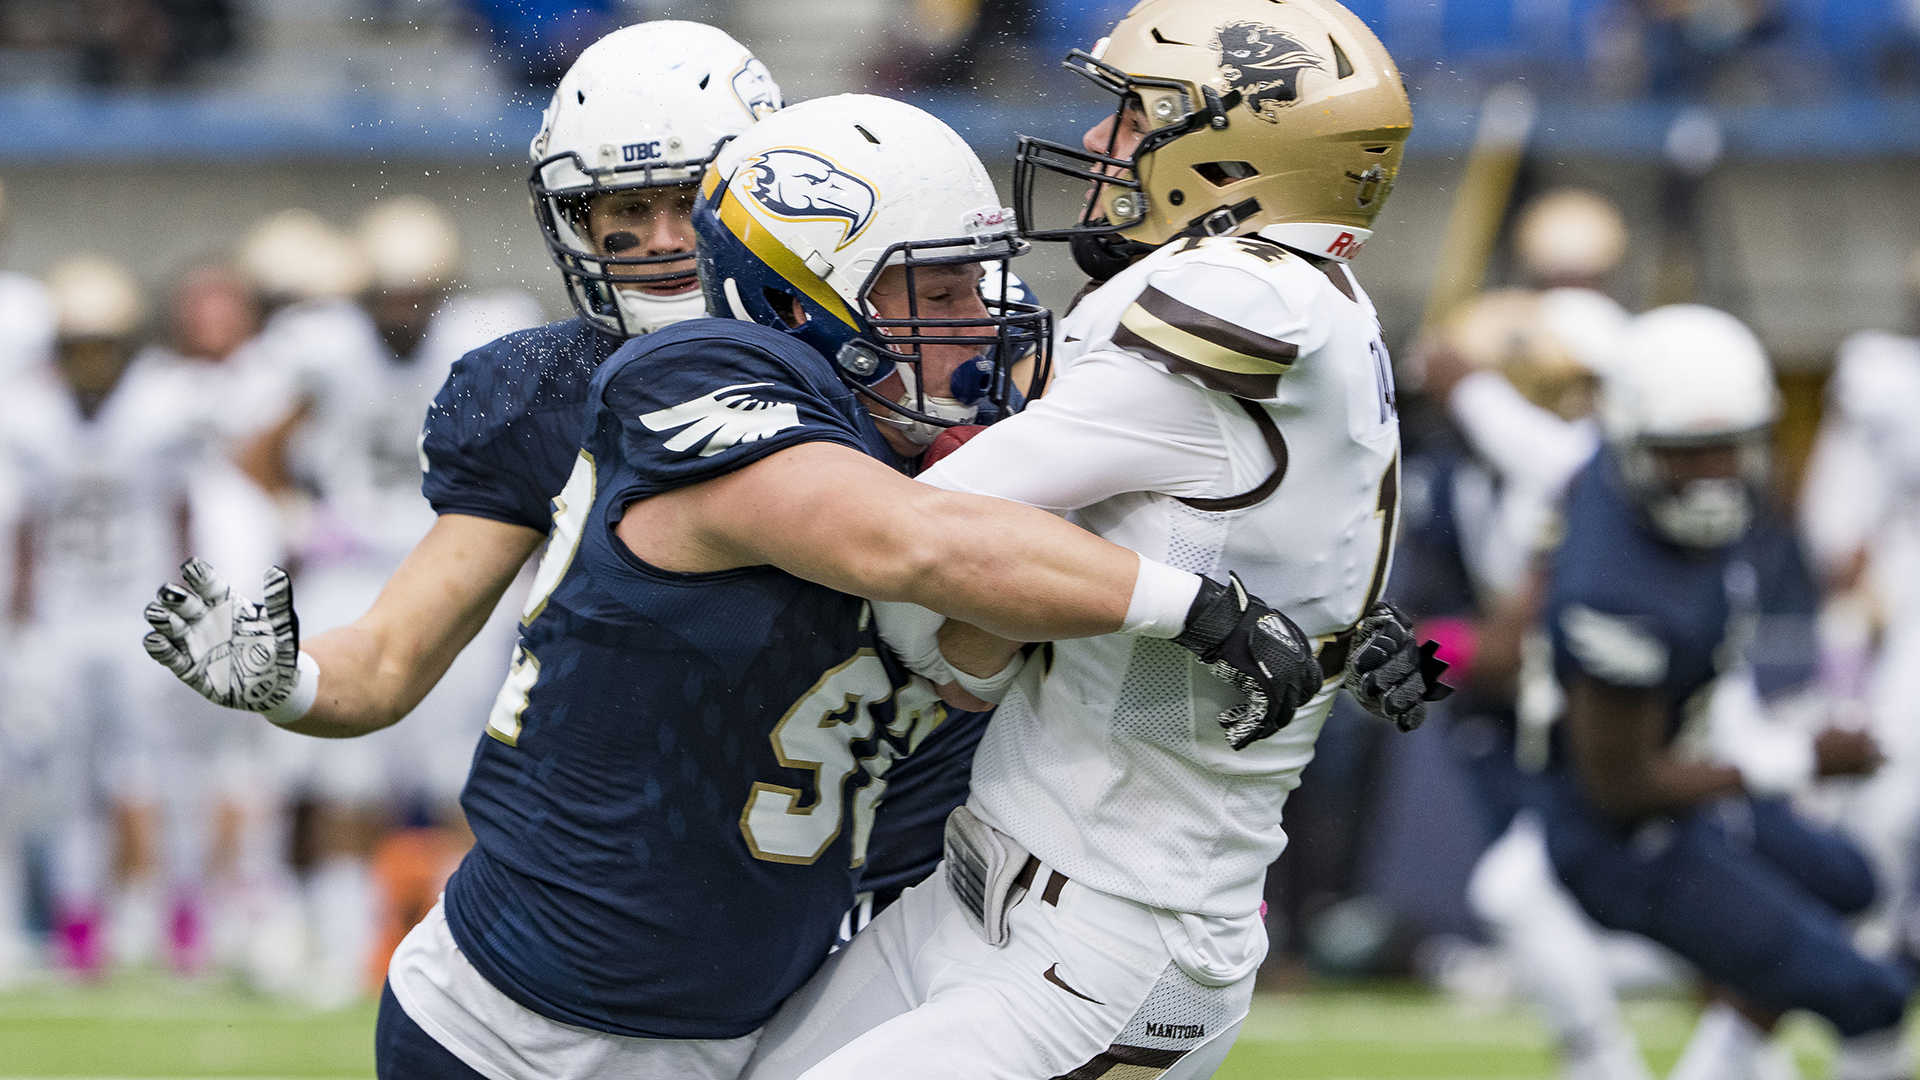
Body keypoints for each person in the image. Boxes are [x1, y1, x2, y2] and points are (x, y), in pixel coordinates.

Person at [739, 3, 1445, 1076]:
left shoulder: (1230, 300)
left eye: (1135, 115)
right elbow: (1245, 538)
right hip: (990, 891)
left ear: (1233, 151)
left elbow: (914, 545)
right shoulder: (1322, 300)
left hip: (1105, 943)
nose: (1107, 145)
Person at [143, 20, 783, 1000]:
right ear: (574, 217)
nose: (661, 240)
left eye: (692, 204)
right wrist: (292, 679)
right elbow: (392, 655)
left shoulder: (861, 363)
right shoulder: (543, 390)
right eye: (625, 206)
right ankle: (353, 938)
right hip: (624, 895)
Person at [1540, 305, 1913, 1080]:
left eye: (1727, 449)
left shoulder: (1629, 483)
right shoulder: (1614, 587)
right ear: (1635, 442)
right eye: (1686, 454)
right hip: (1624, 841)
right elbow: (1622, 788)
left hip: (1694, 780)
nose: (1712, 476)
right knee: (1869, 995)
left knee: (1850, 880)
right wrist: (1795, 760)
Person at [1398, 288, 1665, 1080]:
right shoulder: (1464, 475)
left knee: (1552, 900)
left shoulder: (1605, 466)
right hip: (1533, 715)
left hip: (1635, 716)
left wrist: (1407, 649)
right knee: (1531, 895)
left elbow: (1509, 641)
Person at [4, 256, 207, 977]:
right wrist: (20, 623)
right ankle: (80, 923)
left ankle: (183, 918)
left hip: (144, 611)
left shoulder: (160, 404)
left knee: (164, 770)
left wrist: (194, 606)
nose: (90, 362)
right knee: (70, 777)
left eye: (102, 344)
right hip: (65, 614)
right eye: (77, 346)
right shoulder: (30, 414)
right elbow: (25, 528)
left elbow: (182, 514)